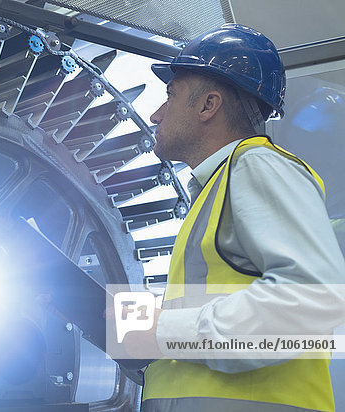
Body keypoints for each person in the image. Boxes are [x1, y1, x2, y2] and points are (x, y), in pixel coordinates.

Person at [132, 24, 345, 411]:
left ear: (208, 106)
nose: (155, 113)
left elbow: (310, 298)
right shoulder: (218, 189)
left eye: (170, 96)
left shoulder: (257, 164)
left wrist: (159, 329)